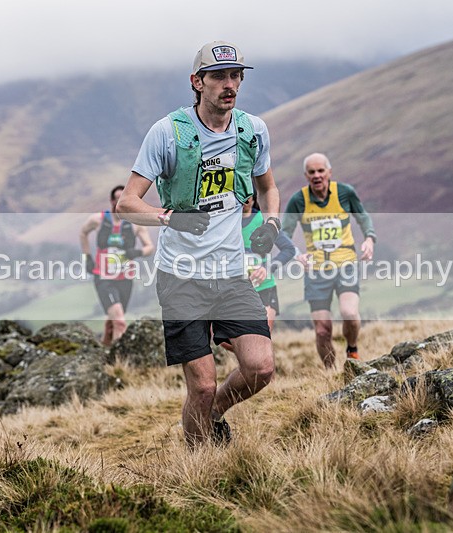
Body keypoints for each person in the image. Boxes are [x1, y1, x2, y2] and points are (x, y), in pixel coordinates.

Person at [116, 40, 280, 448]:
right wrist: (172, 218)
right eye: (220, 76)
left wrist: (273, 223)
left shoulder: (252, 130)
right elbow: (127, 204)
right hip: (181, 277)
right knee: (202, 387)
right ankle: (198, 465)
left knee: (260, 368)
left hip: (231, 275)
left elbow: (269, 187)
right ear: (197, 81)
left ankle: (216, 414)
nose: (230, 84)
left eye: (236, 76)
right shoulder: (168, 133)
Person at [282, 153, 376, 371]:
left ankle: (352, 349)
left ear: (329, 173)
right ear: (306, 175)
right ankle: (330, 372)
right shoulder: (299, 200)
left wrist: (369, 239)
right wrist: (296, 253)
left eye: (321, 171)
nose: (317, 176)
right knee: (322, 330)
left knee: (349, 314)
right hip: (316, 270)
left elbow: (363, 217)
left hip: (346, 264)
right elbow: (283, 233)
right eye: (312, 172)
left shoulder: (345, 193)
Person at [219, 191, 297, 352]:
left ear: (253, 198)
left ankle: (267, 375)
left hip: (264, 288)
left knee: (263, 338)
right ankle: (250, 369)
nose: (242, 203)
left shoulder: (262, 220)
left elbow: (288, 249)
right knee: (232, 343)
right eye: (237, 199)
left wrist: (267, 268)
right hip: (237, 291)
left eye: (246, 198)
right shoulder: (224, 224)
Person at [80, 185, 154, 345]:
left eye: (123, 197)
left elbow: (150, 247)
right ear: (111, 200)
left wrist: (137, 253)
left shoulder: (135, 224)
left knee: (113, 320)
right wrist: (87, 257)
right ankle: (118, 363)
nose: (119, 201)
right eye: (116, 198)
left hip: (125, 278)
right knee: (120, 321)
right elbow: (83, 233)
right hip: (103, 277)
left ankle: (103, 351)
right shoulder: (98, 220)